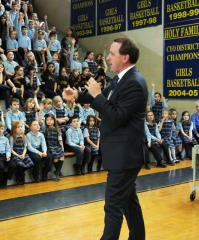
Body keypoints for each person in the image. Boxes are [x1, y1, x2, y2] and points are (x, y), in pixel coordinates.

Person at [63, 38, 147, 239]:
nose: (108, 58)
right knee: (128, 203)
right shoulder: (120, 79)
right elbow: (99, 99)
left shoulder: (134, 83)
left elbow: (116, 116)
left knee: (113, 207)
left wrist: (98, 95)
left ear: (124, 57)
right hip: (121, 154)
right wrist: (76, 95)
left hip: (124, 156)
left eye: (112, 54)